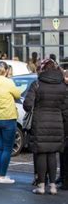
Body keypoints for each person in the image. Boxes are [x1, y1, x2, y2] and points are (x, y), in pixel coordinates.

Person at [23, 59, 66, 195]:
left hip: (40, 121)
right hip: (57, 122)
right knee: (52, 154)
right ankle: (53, 186)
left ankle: (41, 185)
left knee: (41, 153)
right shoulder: (62, 86)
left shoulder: (37, 84)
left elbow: (27, 105)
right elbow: (65, 107)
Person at [0, 61, 21, 184]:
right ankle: (2, 176)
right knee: (7, 148)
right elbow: (18, 94)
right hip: (7, 117)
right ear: (6, 71)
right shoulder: (8, 82)